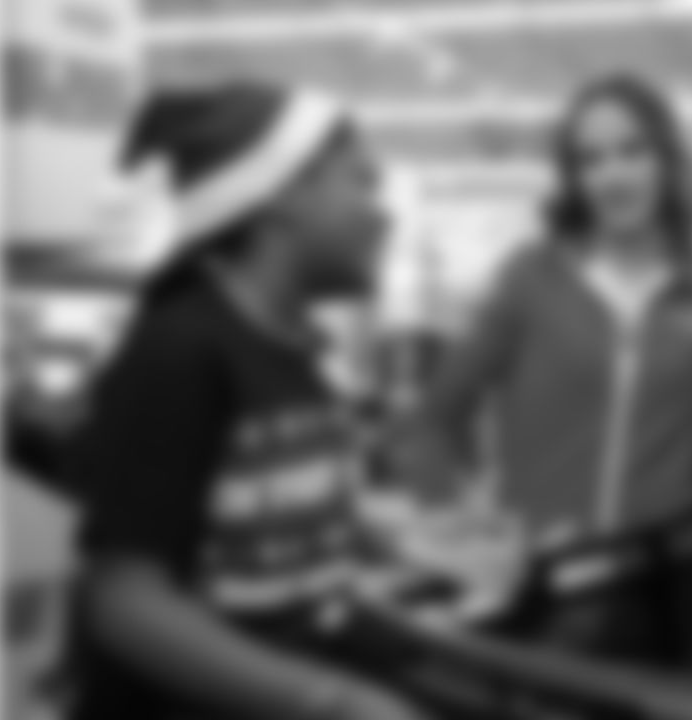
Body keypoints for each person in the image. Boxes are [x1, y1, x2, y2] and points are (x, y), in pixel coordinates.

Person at [65, 83, 427, 720]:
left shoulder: (297, 359)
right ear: (282, 193)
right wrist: (334, 701)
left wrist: (392, 546)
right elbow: (125, 603)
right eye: (361, 182)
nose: (384, 212)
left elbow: (267, 552)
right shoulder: (179, 352)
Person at [395, 73, 692, 663]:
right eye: (590, 160)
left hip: (663, 589)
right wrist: (465, 524)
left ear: (668, 158)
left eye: (633, 151)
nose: (614, 177)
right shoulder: (530, 278)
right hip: (544, 582)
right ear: (573, 179)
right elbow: (432, 422)